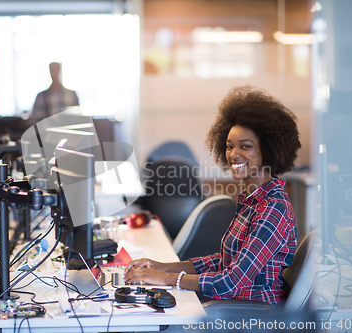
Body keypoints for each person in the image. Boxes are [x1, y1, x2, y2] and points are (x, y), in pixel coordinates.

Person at [124, 85, 301, 306]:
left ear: (269, 149)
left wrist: (166, 279)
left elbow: (231, 281)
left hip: (251, 314)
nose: (234, 154)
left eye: (245, 146)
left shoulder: (273, 207)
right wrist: (162, 266)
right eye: (229, 146)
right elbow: (223, 262)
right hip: (232, 305)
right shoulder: (251, 199)